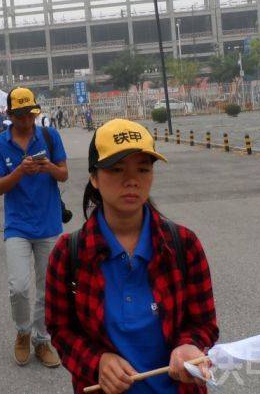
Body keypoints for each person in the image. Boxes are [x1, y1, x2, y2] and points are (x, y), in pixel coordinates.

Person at [45, 119, 218, 394]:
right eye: (116, 169)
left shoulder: (184, 245)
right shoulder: (69, 255)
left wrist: (189, 346)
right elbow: (60, 328)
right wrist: (96, 362)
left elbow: (204, 323)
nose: (132, 180)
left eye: (143, 169)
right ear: (94, 177)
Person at [0, 87, 67, 369]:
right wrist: (20, 171)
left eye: (30, 114)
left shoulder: (49, 135)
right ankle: (23, 332)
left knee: (48, 287)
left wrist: (47, 167)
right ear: (10, 115)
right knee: (19, 286)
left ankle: (42, 339)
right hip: (18, 226)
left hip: (48, 224)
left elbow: (64, 173)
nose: (26, 121)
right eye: (20, 115)